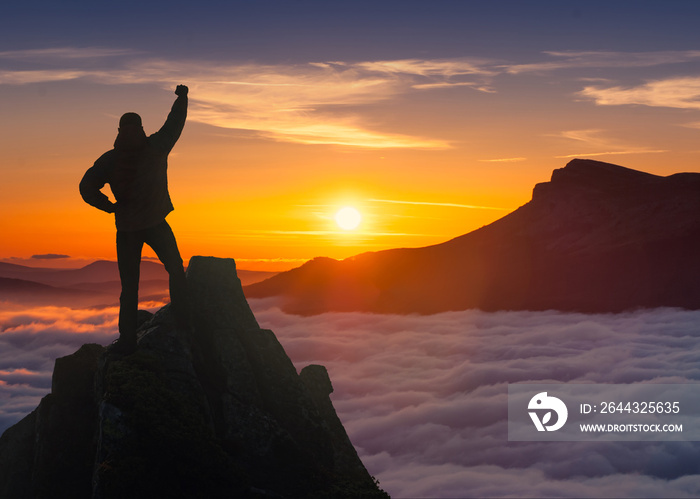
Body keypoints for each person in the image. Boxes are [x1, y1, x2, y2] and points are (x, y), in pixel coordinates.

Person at [80, 85, 191, 355]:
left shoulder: (110, 159)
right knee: (175, 269)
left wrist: (109, 207)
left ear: (119, 131)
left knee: (129, 287)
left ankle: (128, 341)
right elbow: (175, 124)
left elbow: (86, 187)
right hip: (155, 223)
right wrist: (182, 98)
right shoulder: (156, 147)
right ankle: (185, 321)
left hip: (127, 228)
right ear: (140, 128)